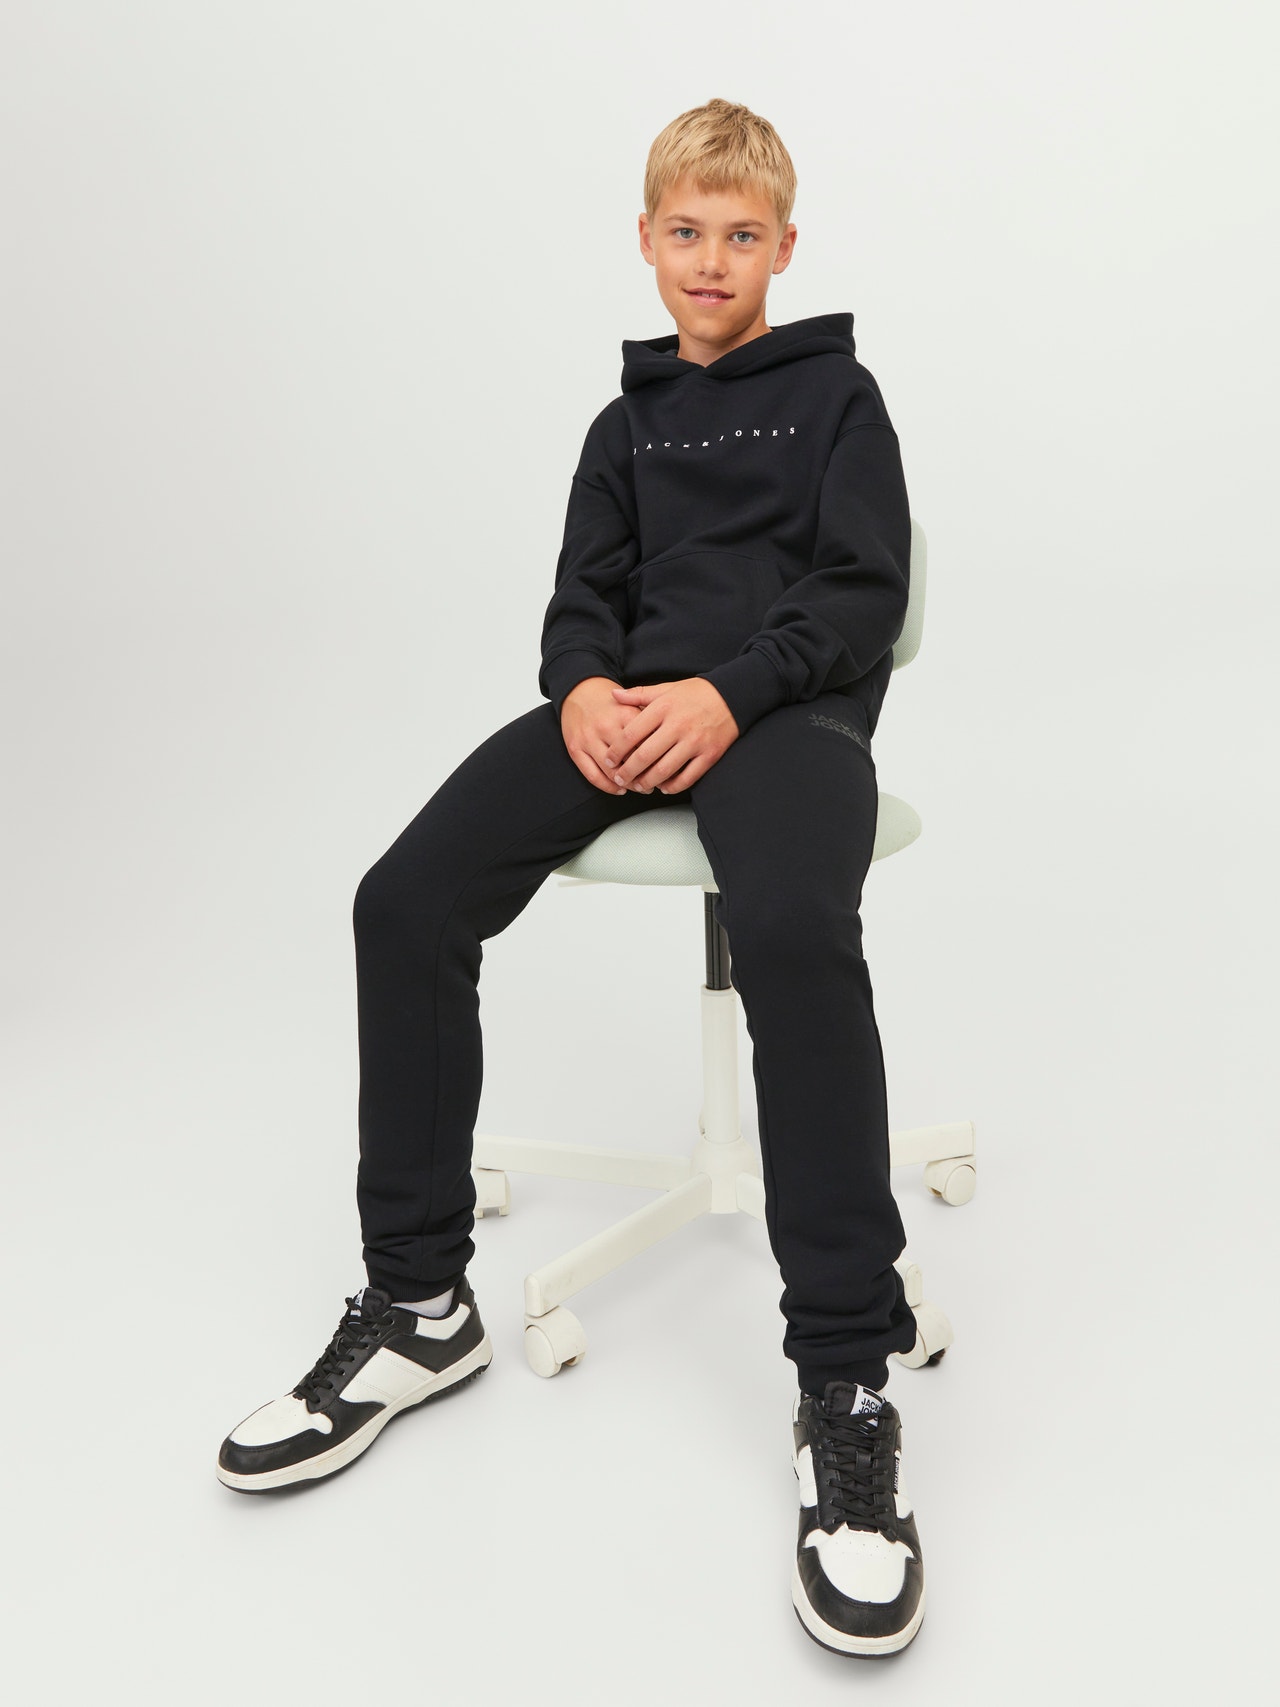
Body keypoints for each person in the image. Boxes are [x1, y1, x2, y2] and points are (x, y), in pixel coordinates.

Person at [216, 96, 926, 1658]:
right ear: (647, 240)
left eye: (743, 237)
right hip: (628, 713)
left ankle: (847, 1380)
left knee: (794, 926)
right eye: (687, 232)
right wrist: (585, 689)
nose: (712, 261)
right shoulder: (624, 427)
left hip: (784, 712)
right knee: (401, 902)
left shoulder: (840, 398)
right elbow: (578, 601)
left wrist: (731, 693)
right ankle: (420, 1307)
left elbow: (860, 597)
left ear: (785, 249)